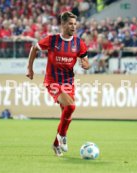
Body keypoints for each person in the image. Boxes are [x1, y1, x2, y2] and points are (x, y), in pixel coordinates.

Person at [26, 11, 90, 157]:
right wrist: (30, 68)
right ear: (63, 24)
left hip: (69, 82)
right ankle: (62, 137)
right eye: (70, 24)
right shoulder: (52, 40)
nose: (73, 27)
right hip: (53, 81)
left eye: (75, 24)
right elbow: (34, 48)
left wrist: (86, 65)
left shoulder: (79, 43)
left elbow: (86, 61)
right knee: (71, 106)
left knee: (66, 114)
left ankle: (56, 143)